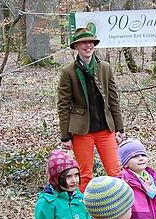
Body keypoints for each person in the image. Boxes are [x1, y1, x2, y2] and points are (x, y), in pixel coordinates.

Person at [57, 27, 125, 192]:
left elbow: (113, 99)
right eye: (83, 43)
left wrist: (120, 127)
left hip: (105, 129)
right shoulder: (68, 72)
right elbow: (63, 105)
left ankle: (121, 212)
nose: (88, 46)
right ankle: (85, 214)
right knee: (84, 175)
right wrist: (65, 136)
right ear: (76, 46)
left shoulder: (105, 67)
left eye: (90, 42)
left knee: (116, 173)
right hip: (82, 131)